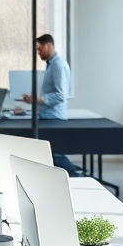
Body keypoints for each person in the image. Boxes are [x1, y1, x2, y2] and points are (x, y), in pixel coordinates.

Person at [22, 33, 79, 175]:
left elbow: (60, 95)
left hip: (54, 118)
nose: (38, 52)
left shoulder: (58, 66)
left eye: (39, 48)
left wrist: (38, 99)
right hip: (47, 116)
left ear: (48, 46)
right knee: (52, 152)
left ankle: (73, 175)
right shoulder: (51, 65)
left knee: (56, 153)